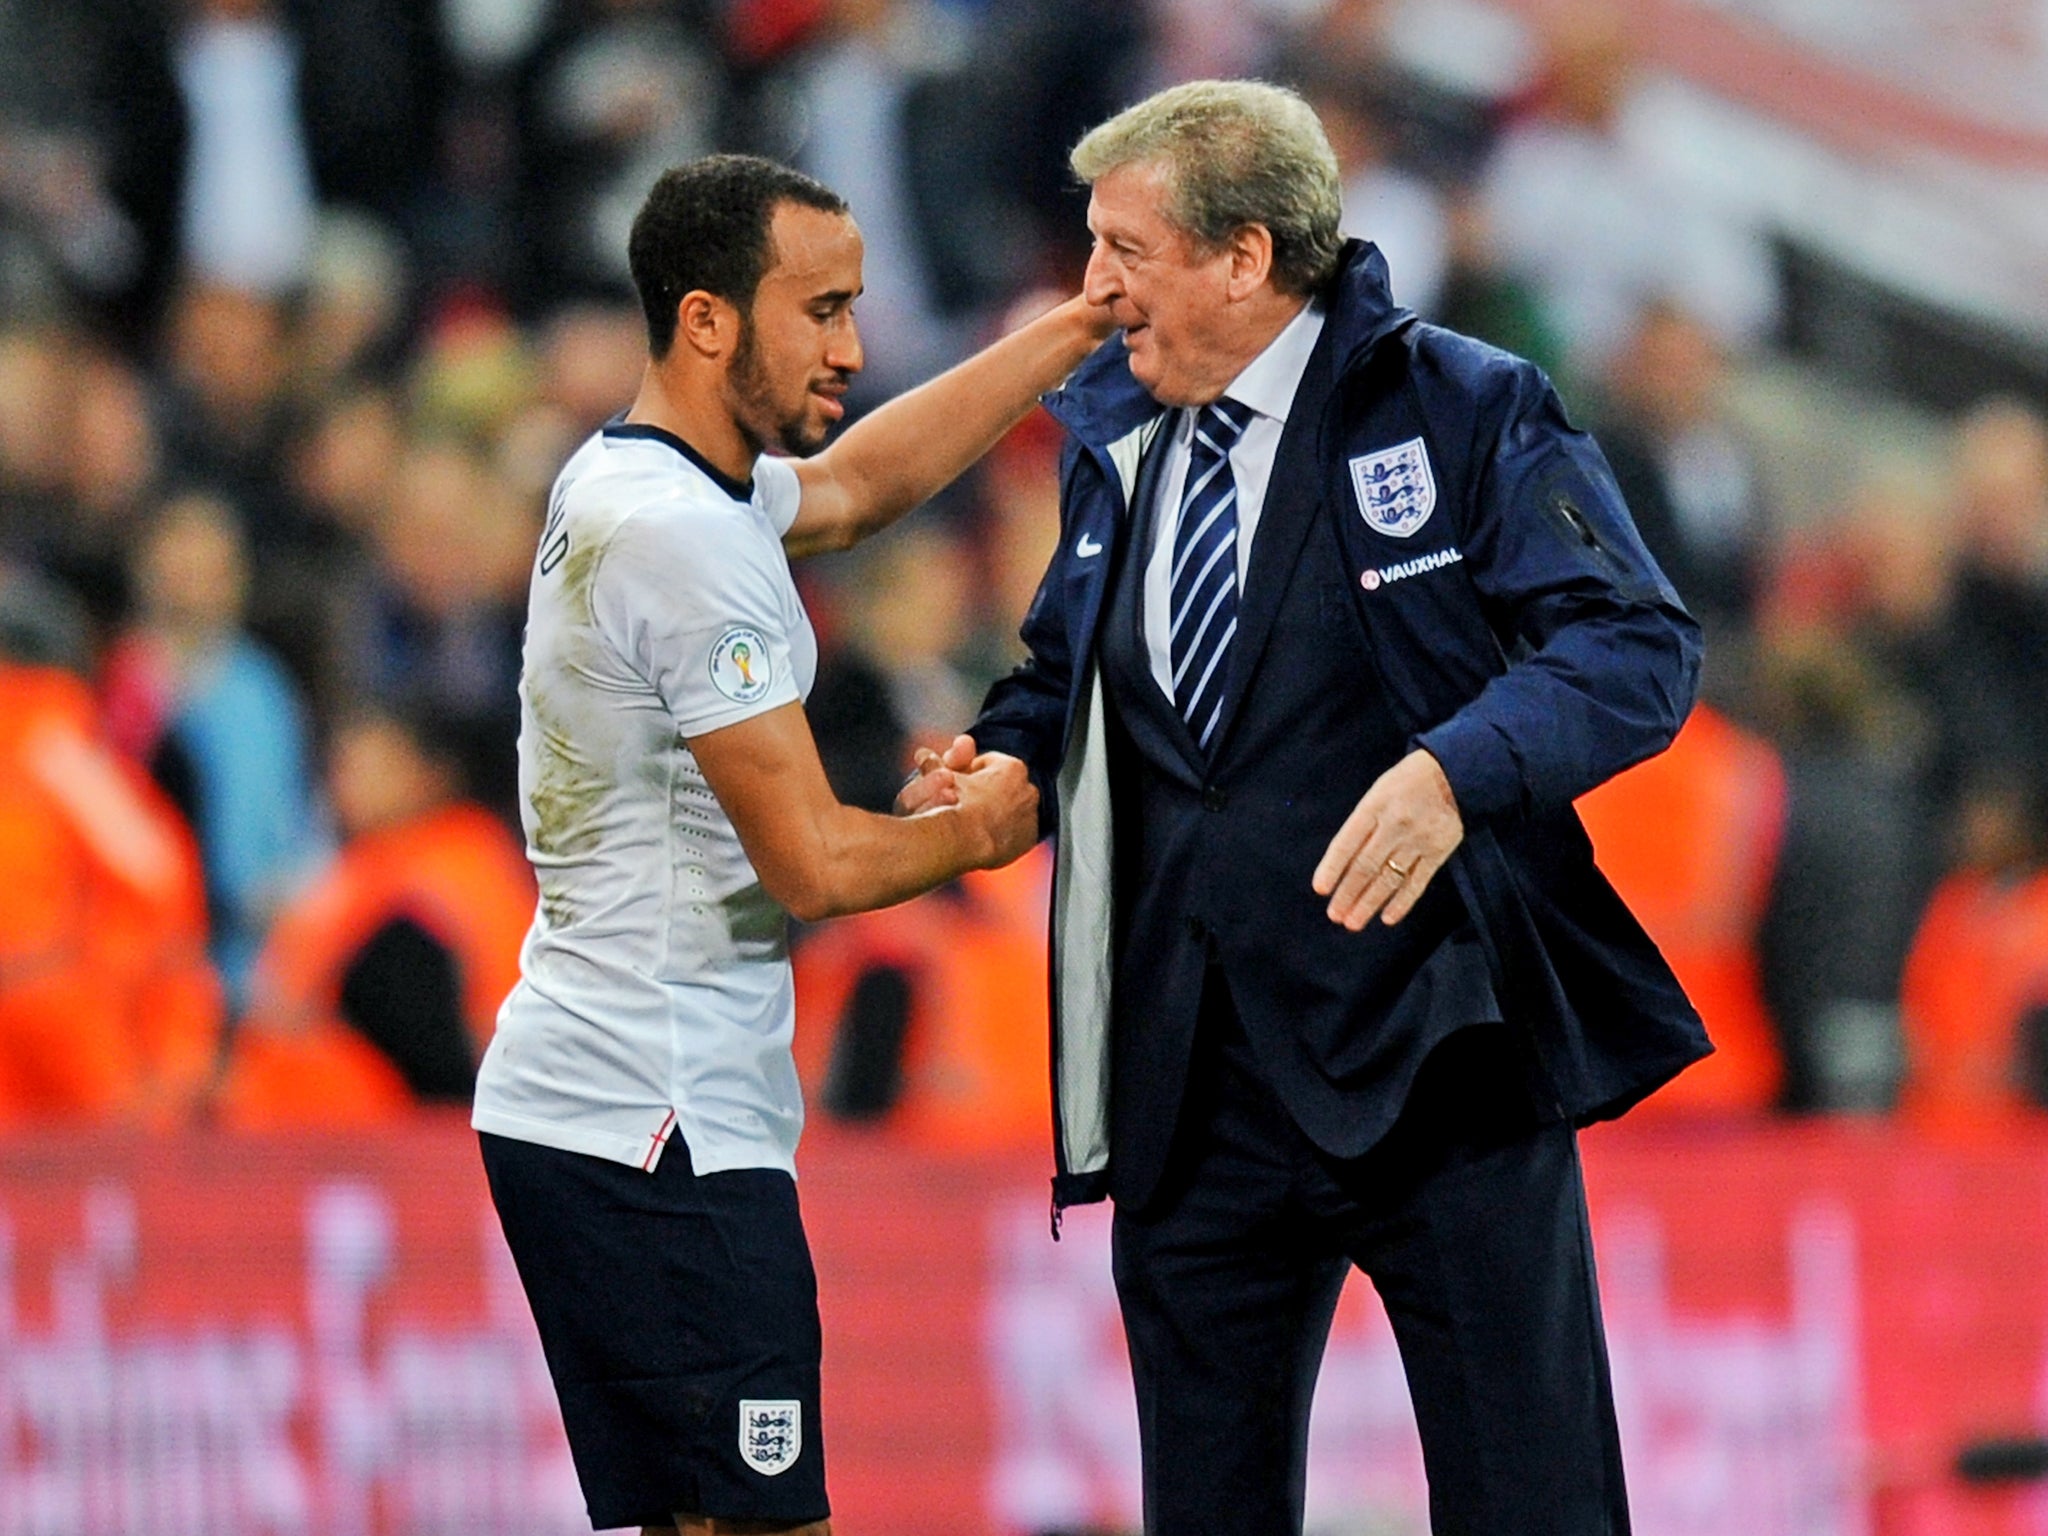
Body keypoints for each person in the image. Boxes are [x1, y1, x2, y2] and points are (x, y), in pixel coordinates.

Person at [902, 82, 1708, 1535]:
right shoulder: (1113, 441)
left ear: (1245, 256)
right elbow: (1058, 675)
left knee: (1532, 1504)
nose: (1092, 291)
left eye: (1124, 250)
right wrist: (1005, 757)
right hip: (1186, 1083)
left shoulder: (1466, 406)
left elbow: (1638, 645)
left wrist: (1456, 769)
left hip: (1434, 1058)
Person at [471, 153, 1109, 1536]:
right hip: (660, 1119)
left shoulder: (650, 480)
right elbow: (814, 867)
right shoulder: (680, 541)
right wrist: (1004, 818)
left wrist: (1067, 328)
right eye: (819, 310)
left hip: (597, 1100)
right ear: (707, 319)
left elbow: (854, 488)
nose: (854, 345)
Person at [216, 700, 535, 1127]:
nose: (348, 783)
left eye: (376, 766)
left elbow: (436, 1047)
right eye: (344, 765)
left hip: (397, 1144)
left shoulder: (448, 875)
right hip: (303, 1137)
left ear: (430, 775)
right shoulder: (368, 865)